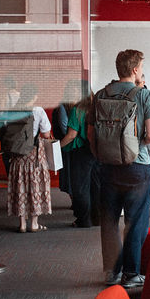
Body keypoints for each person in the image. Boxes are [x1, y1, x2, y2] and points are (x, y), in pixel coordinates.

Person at [89, 49, 150, 288]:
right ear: (135, 70)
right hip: (137, 167)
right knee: (136, 220)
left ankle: (112, 272)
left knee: (109, 221)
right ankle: (131, 274)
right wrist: (132, 147)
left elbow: (91, 134)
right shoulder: (146, 96)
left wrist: (102, 154)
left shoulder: (99, 95)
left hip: (107, 167)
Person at [6, 85, 54, 233]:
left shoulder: (14, 109)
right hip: (33, 153)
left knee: (20, 184)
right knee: (35, 185)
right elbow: (46, 134)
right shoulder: (38, 110)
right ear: (33, 96)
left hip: (17, 154)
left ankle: (22, 224)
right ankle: (34, 223)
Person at [60, 90, 99, 228]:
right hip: (97, 150)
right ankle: (97, 218)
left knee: (81, 187)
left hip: (81, 151)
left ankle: (84, 220)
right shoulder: (97, 108)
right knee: (96, 185)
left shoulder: (77, 110)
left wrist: (58, 146)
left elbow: (72, 134)